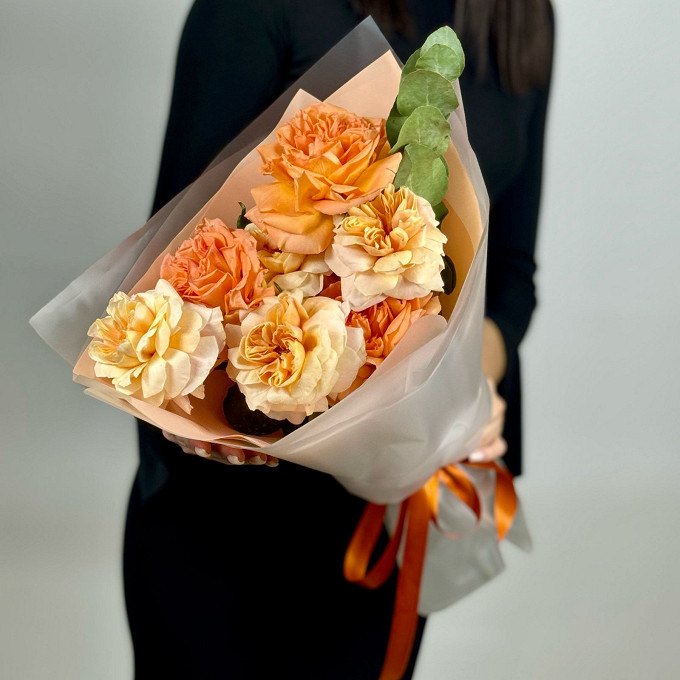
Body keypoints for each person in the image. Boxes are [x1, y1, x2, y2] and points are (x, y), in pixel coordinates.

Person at [124, 1, 554, 678]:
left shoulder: (520, 16)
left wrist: (468, 389)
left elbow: (511, 276)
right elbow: (171, 264)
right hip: (231, 511)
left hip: (386, 508)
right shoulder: (258, 9)